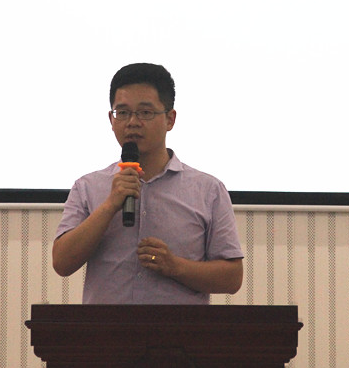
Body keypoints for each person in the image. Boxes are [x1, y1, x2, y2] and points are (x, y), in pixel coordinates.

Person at [52, 63, 244, 304]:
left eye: (145, 112)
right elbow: (62, 263)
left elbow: (232, 278)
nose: (132, 122)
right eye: (122, 113)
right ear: (111, 119)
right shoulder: (87, 187)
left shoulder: (208, 190)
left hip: (178, 328)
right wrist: (109, 205)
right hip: (106, 328)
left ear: (170, 119)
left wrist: (175, 266)